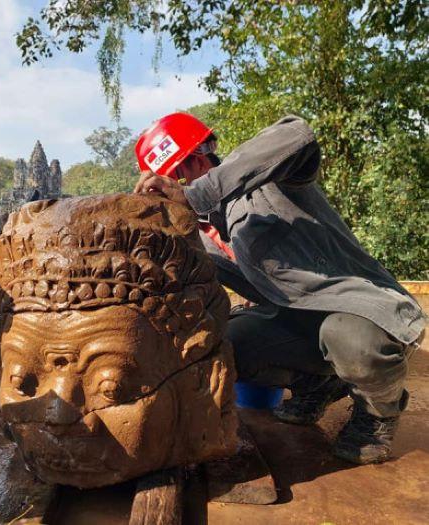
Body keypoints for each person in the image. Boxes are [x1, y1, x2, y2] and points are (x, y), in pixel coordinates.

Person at [134, 112, 425, 465]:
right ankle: (316, 384)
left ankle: (378, 413)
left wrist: (198, 194)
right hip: (299, 323)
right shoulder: (201, 236)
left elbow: (297, 133)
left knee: (349, 338)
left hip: (364, 313)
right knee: (226, 342)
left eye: (173, 183)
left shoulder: (267, 181)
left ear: (193, 162)